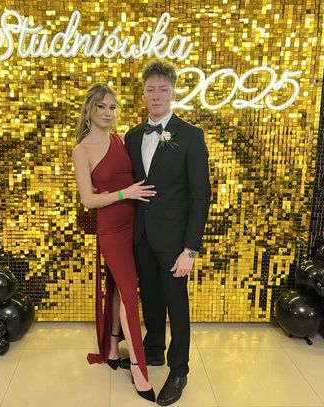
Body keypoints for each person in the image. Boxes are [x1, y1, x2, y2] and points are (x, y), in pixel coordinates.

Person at [120, 60, 211, 406]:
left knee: (177, 304)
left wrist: (190, 249)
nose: (156, 95)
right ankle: (154, 349)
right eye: (150, 89)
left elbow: (200, 195)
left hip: (175, 241)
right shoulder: (132, 136)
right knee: (151, 298)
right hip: (141, 235)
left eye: (162, 89)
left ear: (173, 92)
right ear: (143, 94)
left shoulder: (190, 135)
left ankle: (179, 370)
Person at [72, 83, 156, 402]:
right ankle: (138, 368)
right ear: (90, 109)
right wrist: (125, 193)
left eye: (112, 107)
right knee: (130, 294)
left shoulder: (120, 140)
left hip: (136, 224)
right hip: (111, 229)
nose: (108, 113)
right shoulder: (82, 150)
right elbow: (88, 200)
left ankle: (111, 347)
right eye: (102, 106)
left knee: (121, 287)